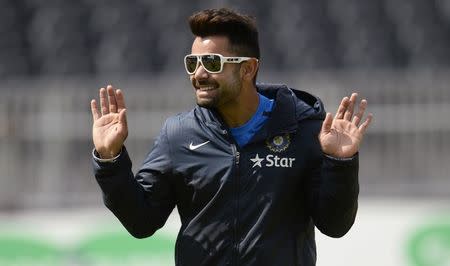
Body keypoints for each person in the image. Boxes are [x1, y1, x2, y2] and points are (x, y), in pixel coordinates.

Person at [90, 8, 373, 266]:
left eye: (212, 63)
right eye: (192, 63)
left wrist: (340, 163)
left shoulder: (304, 130)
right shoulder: (177, 134)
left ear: (248, 68)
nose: (199, 74)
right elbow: (142, 222)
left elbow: (335, 226)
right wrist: (110, 160)